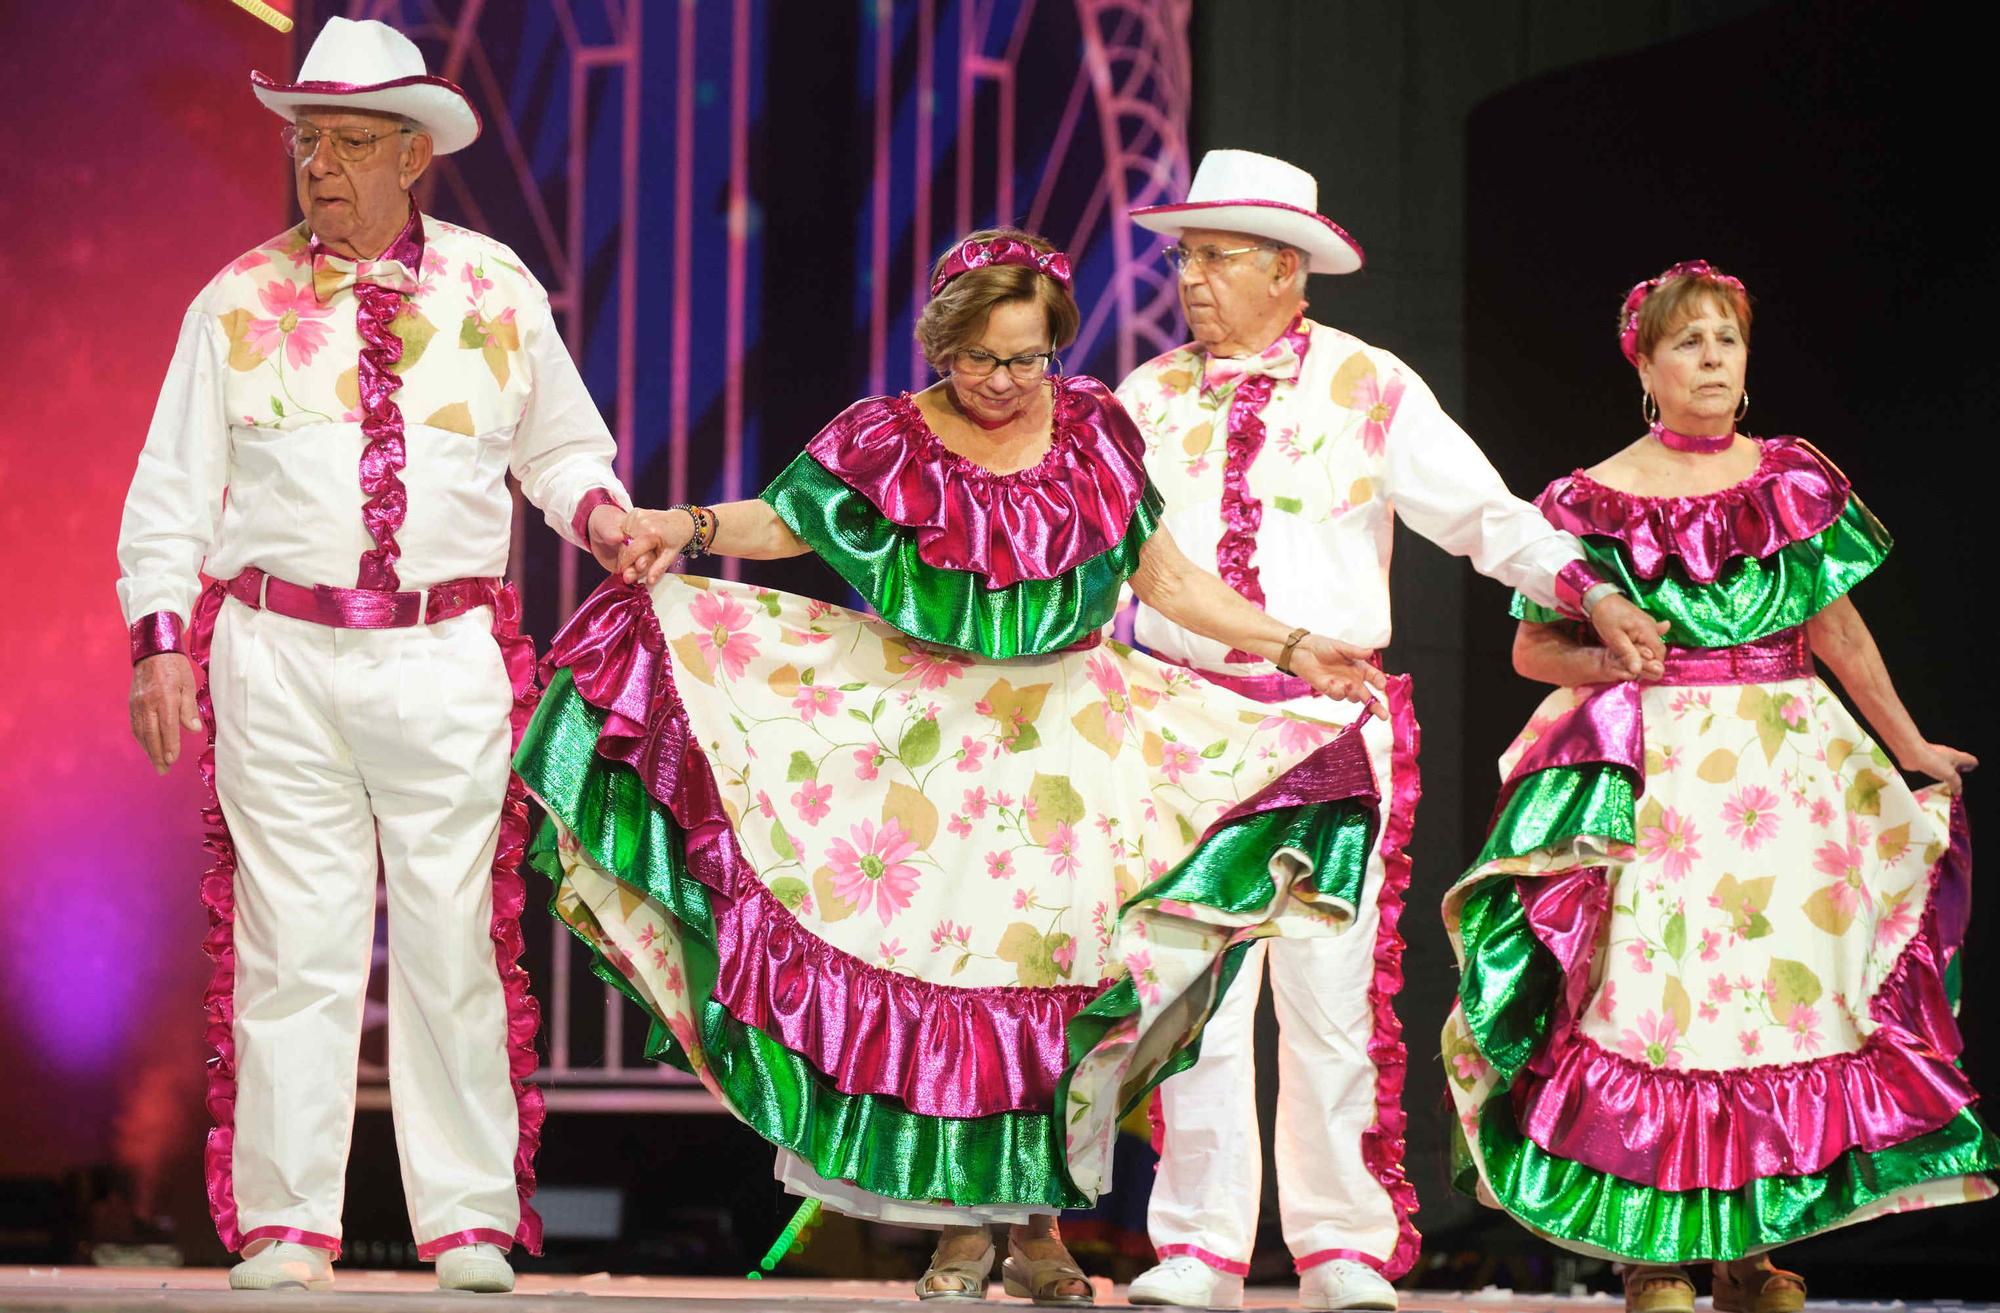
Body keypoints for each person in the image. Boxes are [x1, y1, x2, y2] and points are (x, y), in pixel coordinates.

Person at [511, 227, 1387, 1305]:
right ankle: (959, 1235)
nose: (1004, 381)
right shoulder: (886, 437)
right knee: (951, 990)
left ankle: (1040, 1230)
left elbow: (1162, 577)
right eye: (980, 359)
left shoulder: (1097, 431)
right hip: (935, 748)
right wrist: (681, 526)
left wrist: (1292, 646)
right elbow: (787, 525)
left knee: (1048, 989)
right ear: (941, 347)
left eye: (1027, 358)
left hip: (1074, 740)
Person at [116, 17, 631, 1294]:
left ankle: (465, 1220)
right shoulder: (235, 299)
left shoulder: (494, 287)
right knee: (297, 941)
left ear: (414, 155)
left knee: (457, 935)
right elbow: (171, 491)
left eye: (349, 143)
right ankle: (287, 1221)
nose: (321, 168)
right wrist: (161, 637)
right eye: (308, 142)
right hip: (277, 650)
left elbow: (560, 449)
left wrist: (606, 516)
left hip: (443, 650)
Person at [1107, 150, 1668, 1312]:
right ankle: (1199, 1245)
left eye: (1215, 258)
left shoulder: (1367, 383)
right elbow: (1111, 560)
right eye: (1185, 257)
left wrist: (1587, 587)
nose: (1189, 279)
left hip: (1321, 719)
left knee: (1324, 989)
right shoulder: (1145, 397)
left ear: (1283, 271)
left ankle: (1340, 1244)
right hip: (1173, 716)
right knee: (1190, 992)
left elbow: (1479, 514)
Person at [1440, 259, 1997, 1313]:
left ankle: (1748, 1250)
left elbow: (1833, 623)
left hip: (1785, 761)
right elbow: (1532, 653)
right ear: (1643, 364)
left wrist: (1908, 742)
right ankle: (1652, 1252)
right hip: (1660, 774)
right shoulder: (1589, 497)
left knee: (1780, 997)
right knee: (1657, 997)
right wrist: (1610, 661)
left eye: (1725, 342)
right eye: (1686, 341)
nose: (1710, 359)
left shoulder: (1787, 477)